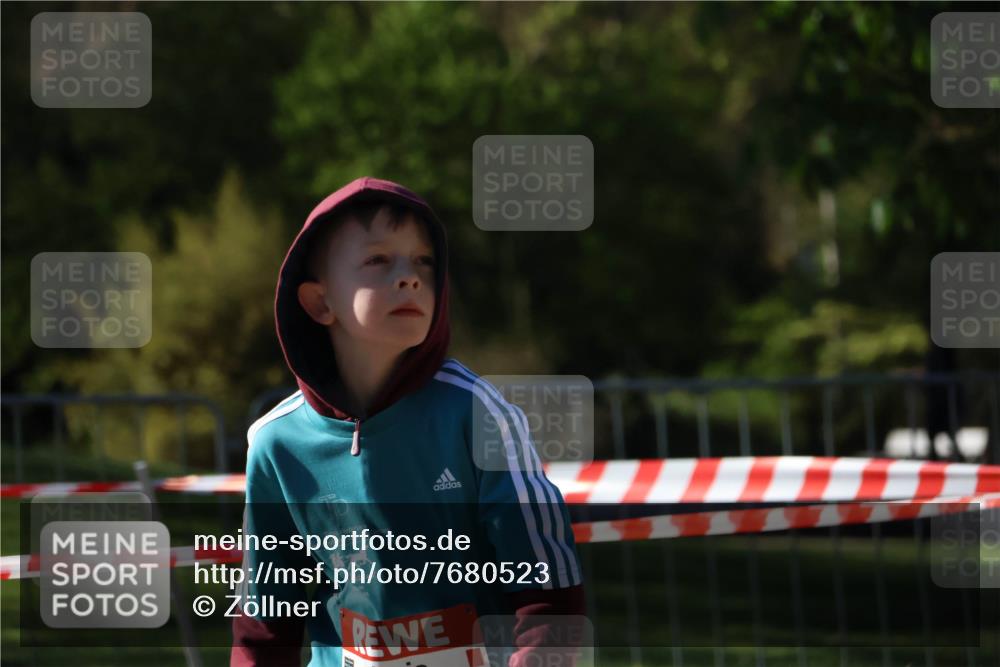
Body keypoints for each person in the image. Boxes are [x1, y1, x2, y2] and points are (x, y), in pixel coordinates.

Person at [231, 177, 586, 667]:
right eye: (378, 260)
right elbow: (265, 620)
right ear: (318, 302)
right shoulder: (275, 443)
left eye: (424, 262)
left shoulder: (481, 413)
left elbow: (546, 590)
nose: (410, 277)